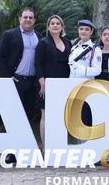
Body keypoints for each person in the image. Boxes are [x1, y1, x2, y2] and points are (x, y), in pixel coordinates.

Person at [0, 9, 41, 122]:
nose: (28, 19)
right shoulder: (9, 34)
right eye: (25, 17)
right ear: (20, 19)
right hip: (16, 80)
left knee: (27, 114)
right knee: (12, 113)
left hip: (32, 82)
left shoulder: (39, 36)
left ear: (34, 20)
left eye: (31, 17)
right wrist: (8, 76)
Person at [35, 14, 72, 144]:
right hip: (47, 84)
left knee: (61, 114)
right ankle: (45, 146)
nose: (55, 25)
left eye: (58, 23)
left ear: (62, 27)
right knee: (45, 115)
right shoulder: (43, 42)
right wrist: (42, 82)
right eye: (52, 23)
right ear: (48, 27)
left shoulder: (67, 42)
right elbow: (37, 64)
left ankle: (58, 145)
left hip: (64, 84)